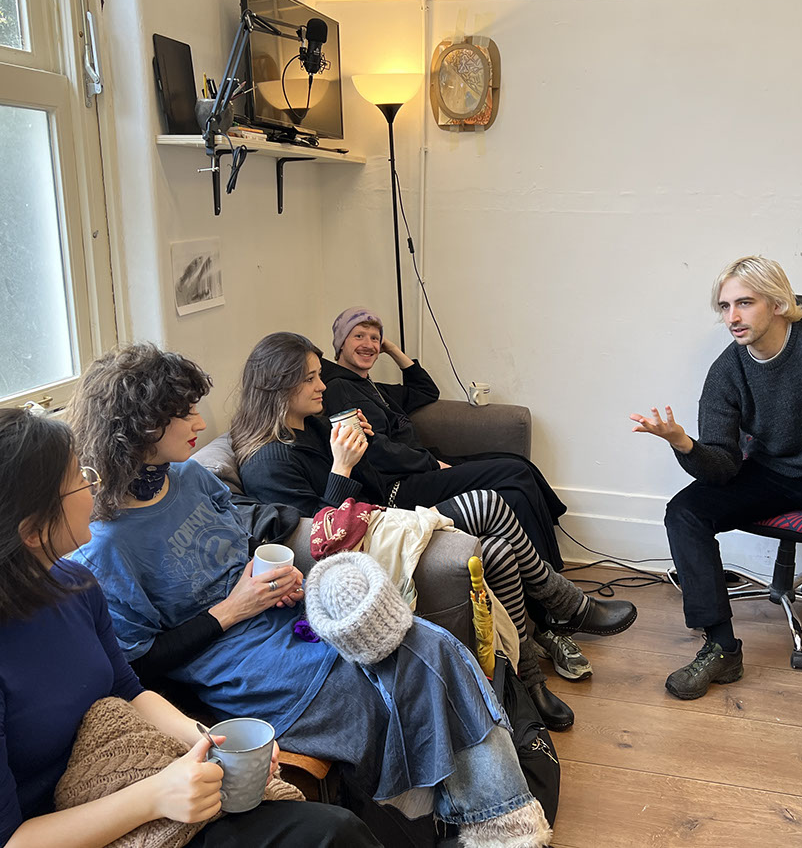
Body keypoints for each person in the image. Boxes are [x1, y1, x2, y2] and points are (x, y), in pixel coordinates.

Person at [67, 343, 553, 848]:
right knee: (381, 694)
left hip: (286, 615)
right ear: (144, 426)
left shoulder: (190, 477)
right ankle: (479, 823)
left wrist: (277, 578)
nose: (201, 421)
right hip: (242, 664)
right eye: (185, 412)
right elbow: (142, 664)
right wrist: (232, 609)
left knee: (432, 644)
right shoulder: (105, 547)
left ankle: (500, 826)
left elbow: (243, 548)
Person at [0, 408, 380, 848]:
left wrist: (210, 740)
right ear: (32, 531)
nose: (95, 486)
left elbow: (128, 688)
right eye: (79, 479)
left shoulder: (77, 585)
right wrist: (155, 796)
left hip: (131, 776)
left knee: (334, 830)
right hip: (81, 823)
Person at [232, 332, 638, 730]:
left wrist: (364, 449)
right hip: (359, 555)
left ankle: (527, 683)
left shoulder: (316, 426)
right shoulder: (268, 462)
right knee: (487, 503)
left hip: (383, 520)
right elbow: (318, 543)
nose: (322, 386)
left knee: (497, 551)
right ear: (278, 386)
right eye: (310, 378)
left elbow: (371, 489)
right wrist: (341, 467)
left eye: (319, 375)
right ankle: (569, 605)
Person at [631, 255, 802, 716]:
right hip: (771, 473)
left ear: (777, 303)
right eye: (724, 306)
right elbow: (721, 466)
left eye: (744, 303)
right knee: (686, 512)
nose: (732, 317)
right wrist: (684, 444)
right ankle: (721, 649)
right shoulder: (727, 370)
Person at [321, 307, 568, 572]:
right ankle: (551, 578)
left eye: (374, 338)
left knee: (516, 470)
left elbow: (426, 390)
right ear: (341, 343)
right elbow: (374, 450)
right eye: (359, 336)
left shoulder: (372, 387)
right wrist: (432, 463)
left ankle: (548, 575)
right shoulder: (339, 387)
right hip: (398, 486)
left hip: (419, 469)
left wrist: (391, 349)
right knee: (515, 471)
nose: (369, 345)